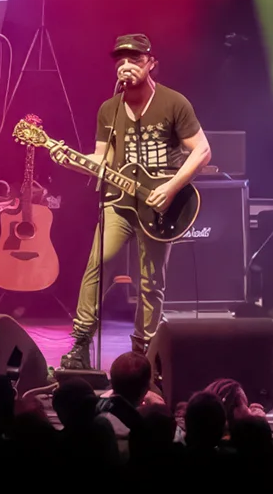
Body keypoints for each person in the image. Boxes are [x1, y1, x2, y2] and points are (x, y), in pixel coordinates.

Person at [55, 34, 211, 369]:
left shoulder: (173, 102)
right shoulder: (108, 109)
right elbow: (102, 161)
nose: (126, 66)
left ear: (151, 63)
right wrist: (69, 159)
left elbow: (202, 150)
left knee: (151, 280)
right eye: (121, 61)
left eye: (135, 60)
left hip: (160, 206)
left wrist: (170, 188)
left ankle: (144, 353)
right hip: (119, 203)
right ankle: (81, 345)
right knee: (99, 263)